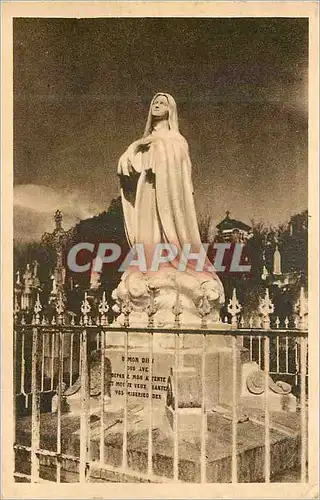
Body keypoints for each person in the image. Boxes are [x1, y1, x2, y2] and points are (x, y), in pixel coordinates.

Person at [116, 93, 224, 316]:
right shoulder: (145, 140)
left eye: (162, 102)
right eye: (154, 102)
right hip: (148, 191)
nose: (156, 104)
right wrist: (137, 147)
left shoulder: (177, 140)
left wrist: (157, 148)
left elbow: (181, 173)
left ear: (170, 110)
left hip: (169, 197)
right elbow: (127, 168)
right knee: (148, 234)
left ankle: (173, 263)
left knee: (172, 235)